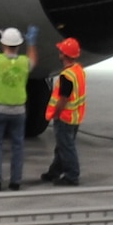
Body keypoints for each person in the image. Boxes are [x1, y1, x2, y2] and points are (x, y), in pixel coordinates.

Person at [0, 27, 34, 191]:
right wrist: (31, 44)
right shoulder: (24, 62)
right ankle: (15, 181)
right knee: (18, 146)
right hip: (18, 111)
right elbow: (33, 61)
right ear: (18, 45)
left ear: (2, 44)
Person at [40, 36, 86, 186]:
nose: (58, 52)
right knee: (62, 146)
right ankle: (54, 171)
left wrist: (57, 114)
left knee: (66, 147)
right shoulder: (78, 71)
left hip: (65, 117)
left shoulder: (67, 76)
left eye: (61, 51)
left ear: (65, 55)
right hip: (75, 117)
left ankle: (72, 176)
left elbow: (63, 99)